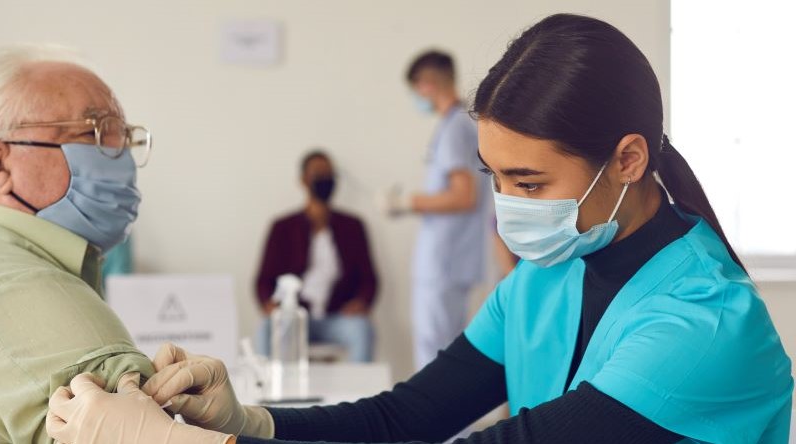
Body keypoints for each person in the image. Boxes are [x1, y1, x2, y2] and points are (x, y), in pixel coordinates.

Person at [47, 14, 792, 444]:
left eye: (530, 183)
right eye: (495, 176)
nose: (506, 205)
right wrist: (246, 421)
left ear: (627, 159)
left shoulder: (703, 326)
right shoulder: (545, 278)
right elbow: (406, 419)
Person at [0, 45, 231, 443]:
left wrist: (254, 424)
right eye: (94, 131)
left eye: (123, 134)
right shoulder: (23, 290)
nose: (121, 154)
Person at [384, 50, 494, 370]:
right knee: (439, 349)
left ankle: (433, 422)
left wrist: (408, 202)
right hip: (448, 259)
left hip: (444, 261)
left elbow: (464, 195)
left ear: (427, 84)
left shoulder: (456, 126)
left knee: (435, 353)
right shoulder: (456, 124)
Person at [255, 150, 378, 362]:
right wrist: (270, 304)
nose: (325, 180)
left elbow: (369, 278)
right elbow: (264, 279)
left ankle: (361, 394)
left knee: (363, 329)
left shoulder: (353, 226)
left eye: (330, 174)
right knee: (267, 328)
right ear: (303, 180)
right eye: (318, 174)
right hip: (294, 316)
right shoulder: (283, 227)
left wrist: (361, 302)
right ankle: (266, 392)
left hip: (338, 318)